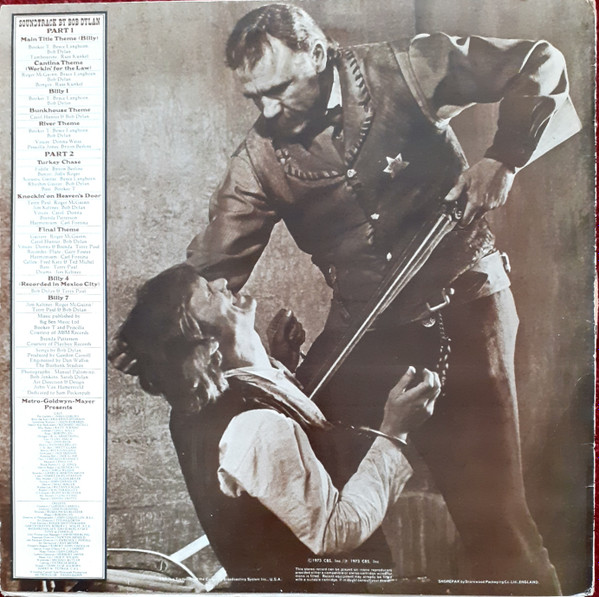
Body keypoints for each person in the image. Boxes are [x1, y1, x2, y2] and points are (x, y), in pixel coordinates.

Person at [185, 5, 581, 593]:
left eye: (279, 90)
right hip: (362, 333)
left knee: (493, 518)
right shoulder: (256, 161)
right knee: (305, 476)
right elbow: (207, 273)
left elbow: (539, 62)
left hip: (466, 309)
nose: (267, 113)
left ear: (317, 55)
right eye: (254, 98)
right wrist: (161, 327)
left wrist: (504, 157)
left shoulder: (408, 66)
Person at [110, 263, 441, 592]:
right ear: (208, 345)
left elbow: (283, 456)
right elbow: (335, 531)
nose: (223, 281)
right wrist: (395, 431)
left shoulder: (203, 403)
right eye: (209, 293)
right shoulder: (255, 426)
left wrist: (282, 361)